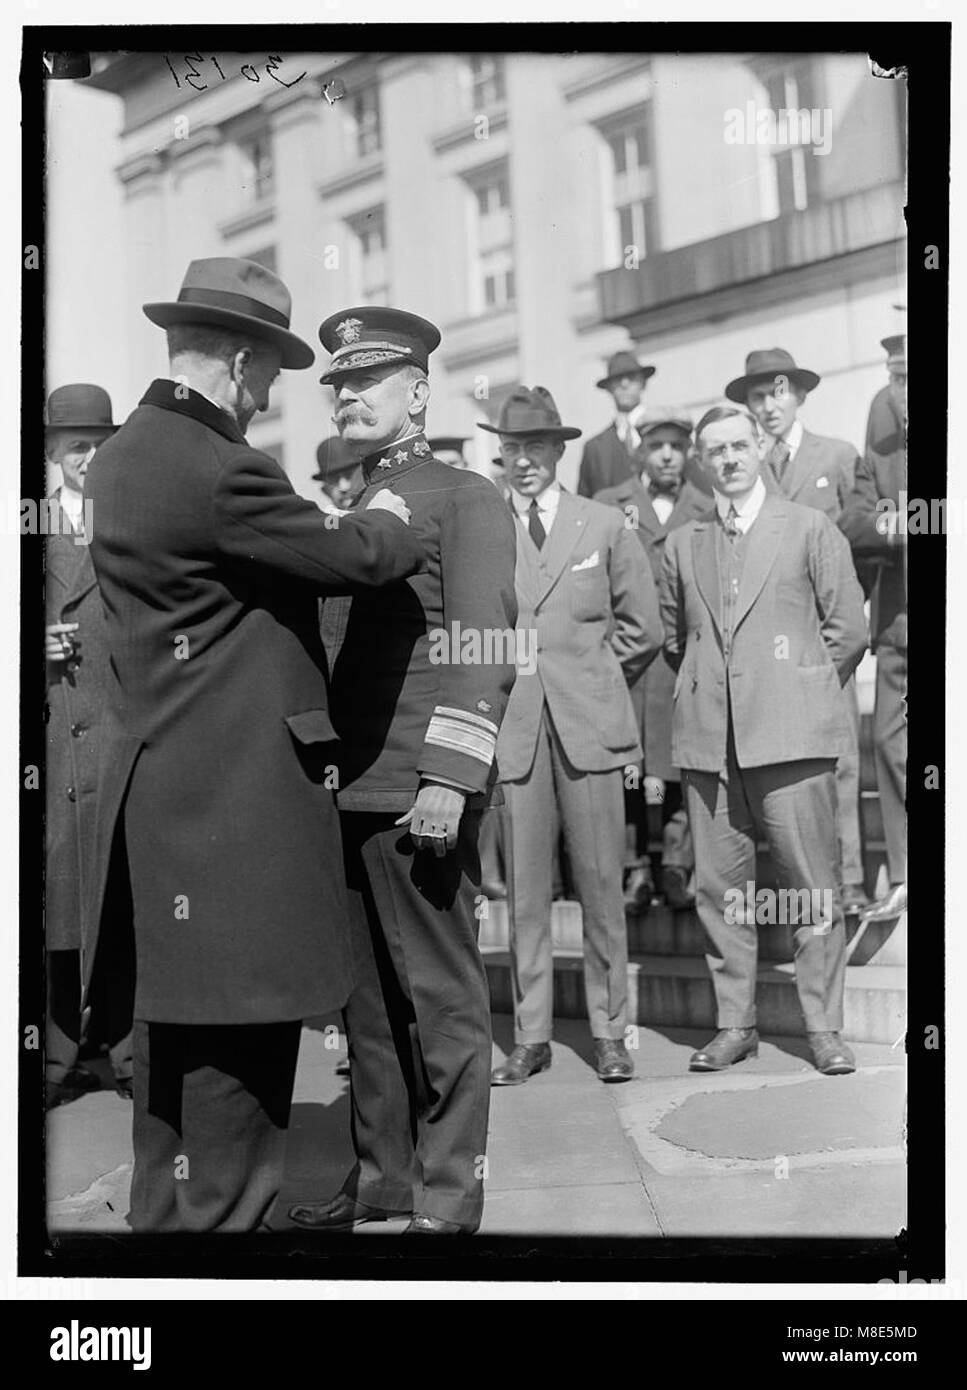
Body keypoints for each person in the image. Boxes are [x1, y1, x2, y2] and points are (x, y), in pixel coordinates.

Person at [84, 258, 424, 1233]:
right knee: (232, 1143)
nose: (273, 392)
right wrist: (388, 509)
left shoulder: (120, 457)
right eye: (271, 369)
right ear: (236, 362)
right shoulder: (218, 466)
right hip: (234, 851)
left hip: (165, 835)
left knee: (174, 1128)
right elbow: (352, 553)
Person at [288, 306, 518, 1236]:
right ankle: (382, 1183)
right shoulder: (358, 507)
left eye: (364, 381)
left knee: (441, 1000)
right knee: (367, 1010)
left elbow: (481, 642)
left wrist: (449, 780)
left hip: (419, 788)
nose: (344, 395)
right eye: (336, 384)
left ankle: (449, 1195)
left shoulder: (463, 497)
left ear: (418, 391)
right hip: (348, 791)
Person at [660, 403, 868, 1076]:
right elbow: (674, 638)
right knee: (720, 893)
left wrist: (795, 689)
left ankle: (823, 1028)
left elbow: (847, 630)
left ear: (759, 448)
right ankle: (734, 1025)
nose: (727, 459)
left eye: (738, 446)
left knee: (811, 887)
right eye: (713, 450)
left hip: (791, 740)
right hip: (708, 745)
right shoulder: (681, 543)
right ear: (701, 461)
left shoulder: (808, 527)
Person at [483, 386, 661, 1086]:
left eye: (533, 448)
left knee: (598, 887)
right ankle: (530, 1036)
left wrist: (589, 676)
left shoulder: (604, 524)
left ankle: (609, 1032)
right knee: (525, 893)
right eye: (510, 449)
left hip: (589, 729)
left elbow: (641, 627)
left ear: (558, 451)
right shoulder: (486, 528)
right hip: (518, 731)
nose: (521, 462)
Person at [726, 348, 869, 917]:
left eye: (778, 392)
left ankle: (851, 882)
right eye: (758, 396)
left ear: (800, 395)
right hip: (763, 644)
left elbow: (859, 533)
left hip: (824, 636)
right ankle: (797, 893)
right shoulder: (740, 468)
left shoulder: (835, 455)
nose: (768, 405)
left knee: (841, 765)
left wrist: (825, 667)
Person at [44, 384, 134, 1108]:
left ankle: (127, 1050)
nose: (88, 458)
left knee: (121, 888)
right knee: (56, 896)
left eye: (100, 444)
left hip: (116, 722)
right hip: (47, 731)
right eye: (76, 446)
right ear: (50, 452)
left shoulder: (131, 522)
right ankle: (55, 1055)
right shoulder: (24, 524)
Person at [595, 406, 713, 911]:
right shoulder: (608, 505)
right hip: (626, 660)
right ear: (641, 449)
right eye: (657, 446)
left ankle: (676, 866)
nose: (667, 456)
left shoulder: (705, 507)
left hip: (678, 662)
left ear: (688, 452)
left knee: (680, 765)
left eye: (676, 447)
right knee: (628, 765)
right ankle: (634, 868)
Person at [840, 335, 907, 921]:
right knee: (888, 740)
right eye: (895, 376)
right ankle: (908, 873)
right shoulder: (881, 421)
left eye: (910, 377)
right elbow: (857, 521)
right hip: (896, 621)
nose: (900, 391)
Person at [576, 349, 655, 498]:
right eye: (617, 379)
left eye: (631, 378)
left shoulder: (666, 435)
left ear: (643, 383)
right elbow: (584, 507)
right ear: (609, 388)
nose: (624, 384)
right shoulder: (594, 449)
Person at [312, 436, 361, 512]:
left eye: (349, 475)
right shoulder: (328, 522)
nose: (344, 487)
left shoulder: (384, 512)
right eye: (333, 480)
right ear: (325, 491)